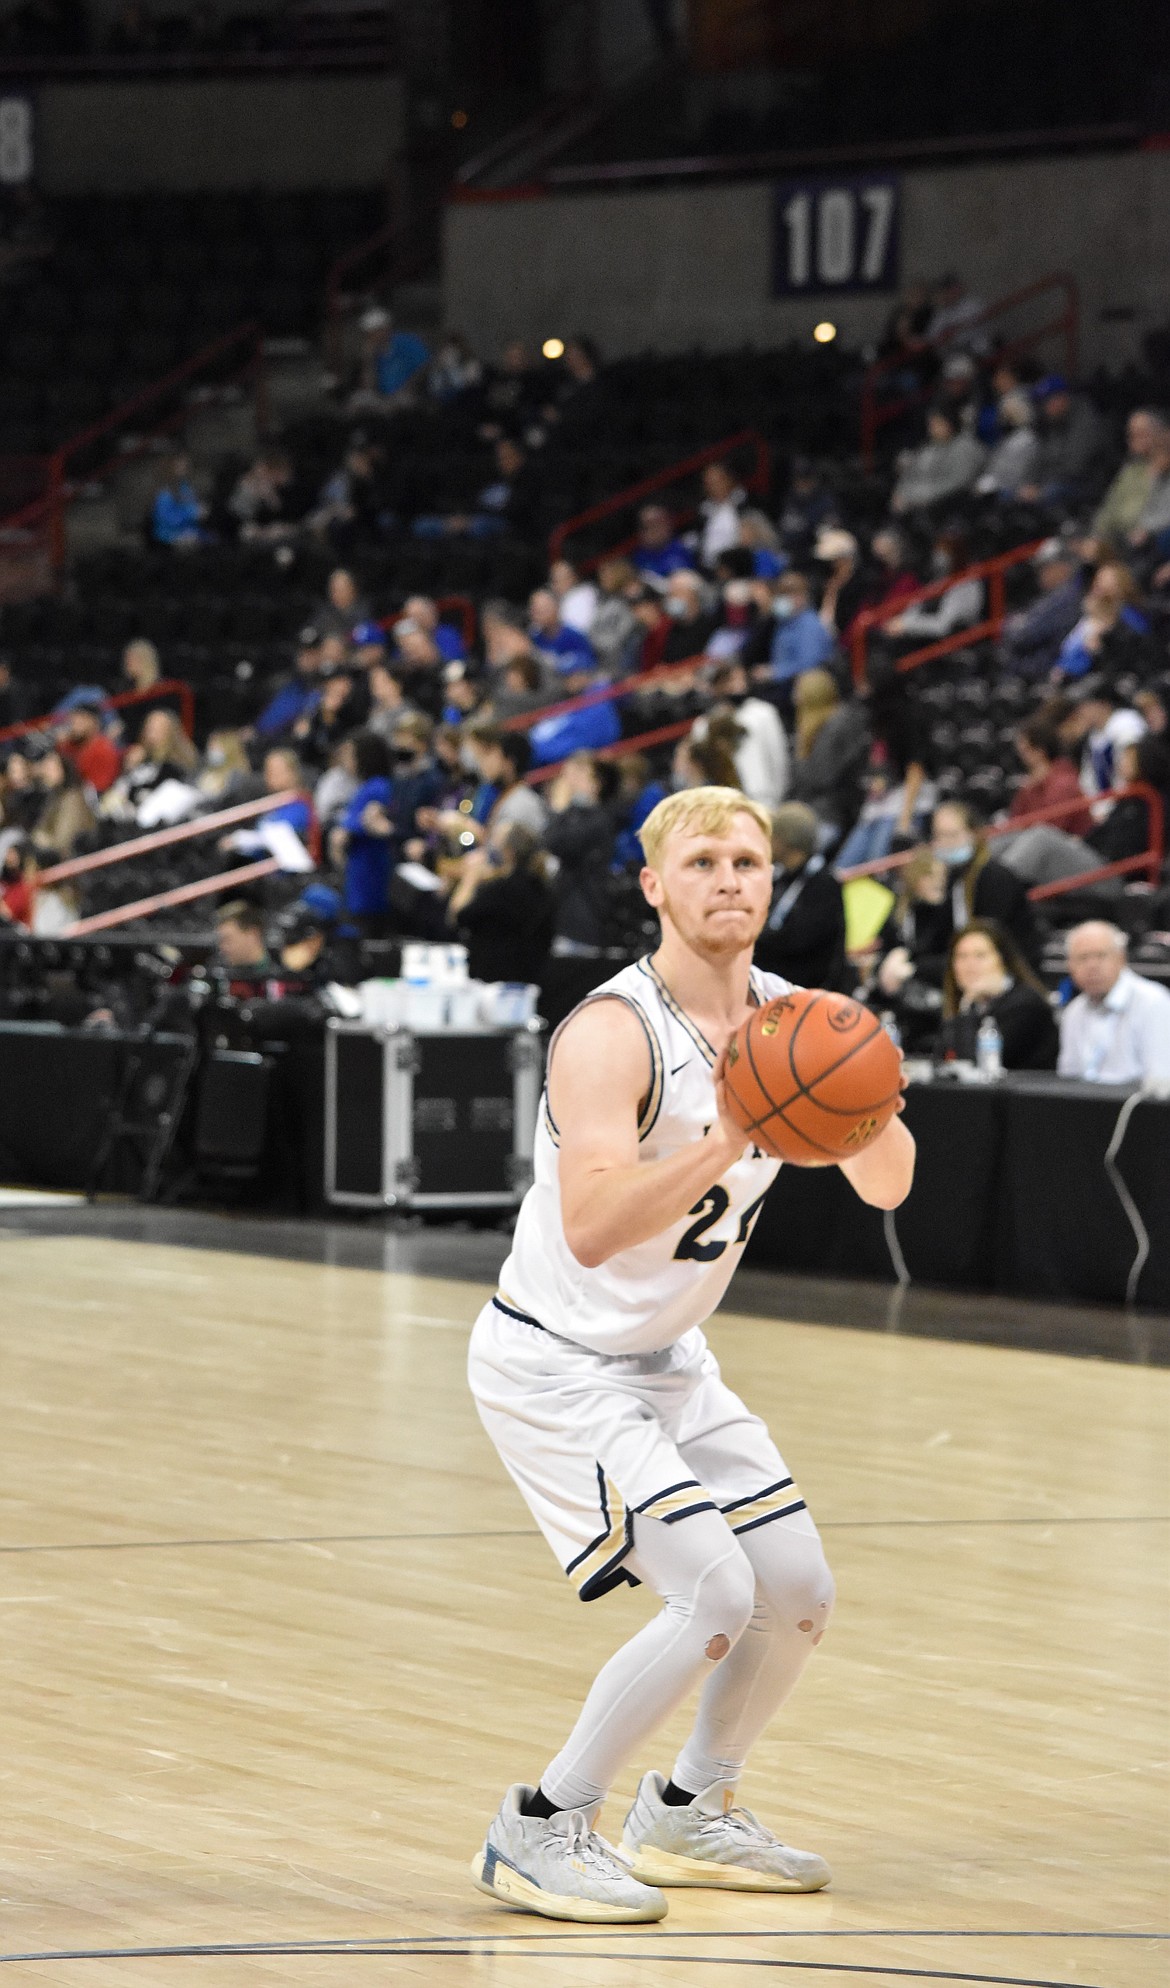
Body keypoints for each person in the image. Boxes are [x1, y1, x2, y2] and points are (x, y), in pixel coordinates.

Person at [468, 784, 914, 1924]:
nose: (730, 879)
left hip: (669, 1355)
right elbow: (592, 1225)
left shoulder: (800, 1019)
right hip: (554, 1358)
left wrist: (855, 1101)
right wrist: (731, 1135)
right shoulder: (611, 1031)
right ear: (655, 885)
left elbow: (892, 1181)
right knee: (713, 1588)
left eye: (749, 860)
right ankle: (541, 1823)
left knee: (798, 1588)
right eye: (704, 860)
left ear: (773, 882)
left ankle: (684, 1809)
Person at [936, 920, 1058, 1070]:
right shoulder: (970, 1005)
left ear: (1003, 960)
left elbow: (972, 1065)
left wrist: (966, 1007)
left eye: (980, 956)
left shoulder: (1026, 1005)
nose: (969, 965)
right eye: (961, 956)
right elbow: (942, 1060)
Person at [1058, 922, 1170, 1085]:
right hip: (1083, 1105)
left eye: (1101, 956)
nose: (1092, 966)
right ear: (1070, 966)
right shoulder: (1073, 1012)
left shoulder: (1153, 1002)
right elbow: (1068, 1079)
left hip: (1137, 1107)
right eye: (1083, 958)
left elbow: (1162, 1082)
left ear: (1121, 959)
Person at [446, 820, 556, 985]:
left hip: (492, 982)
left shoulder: (501, 890)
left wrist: (470, 878)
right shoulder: (542, 887)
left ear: (507, 852)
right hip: (530, 980)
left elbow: (457, 916)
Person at [754, 801, 847, 991]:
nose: (767, 842)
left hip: (805, 991)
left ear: (786, 840)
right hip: (772, 981)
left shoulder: (823, 885)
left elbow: (799, 942)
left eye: (772, 836)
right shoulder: (779, 878)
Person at [787, 670, 870, 843]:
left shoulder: (836, 724)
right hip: (809, 808)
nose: (794, 696)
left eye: (798, 690)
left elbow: (821, 776)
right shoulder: (809, 727)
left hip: (830, 812)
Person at [695, 661, 789, 807]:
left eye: (737, 678)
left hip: (763, 797)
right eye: (726, 680)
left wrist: (775, 796)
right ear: (715, 686)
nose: (733, 686)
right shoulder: (703, 725)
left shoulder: (763, 713)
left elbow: (778, 758)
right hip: (724, 802)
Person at [1054, 561, 1155, 682]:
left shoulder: (1127, 613)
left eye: (1105, 582)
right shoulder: (1088, 614)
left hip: (1109, 674)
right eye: (1098, 580)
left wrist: (1104, 641)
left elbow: (1140, 641)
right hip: (1068, 672)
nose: (1098, 586)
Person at [999, 540, 1086, 679]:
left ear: (1063, 566)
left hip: (1046, 671)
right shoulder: (1053, 596)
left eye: (1045, 567)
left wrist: (1013, 625)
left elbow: (1022, 635)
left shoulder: (1065, 597)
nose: (1040, 574)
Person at [890, 407, 985, 514]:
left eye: (938, 424)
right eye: (931, 425)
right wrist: (901, 492)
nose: (932, 429)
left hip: (946, 510)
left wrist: (913, 498)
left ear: (950, 424)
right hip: (914, 504)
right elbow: (911, 474)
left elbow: (954, 485)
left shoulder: (965, 448)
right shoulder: (930, 447)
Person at [1091, 409, 1163, 551]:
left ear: (1159, 434)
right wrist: (1096, 535)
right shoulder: (1130, 471)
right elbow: (1109, 508)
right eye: (1132, 435)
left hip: (1150, 541)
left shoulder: (1164, 471)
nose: (1135, 440)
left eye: (1142, 434)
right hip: (1118, 538)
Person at [759, 570, 836, 691]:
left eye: (785, 595)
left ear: (801, 597)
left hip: (805, 689)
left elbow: (810, 665)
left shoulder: (810, 626)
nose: (780, 600)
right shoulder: (784, 622)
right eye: (779, 595)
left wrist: (775, 673)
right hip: (782, 685)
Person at [60, 697, 122, 796]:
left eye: (82, 719)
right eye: (74, 719)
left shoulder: (103, 750)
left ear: (94, 722)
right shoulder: (67, 745)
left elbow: (99, 790)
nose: (75, 724)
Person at [696, 461, 746, 570]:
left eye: (717, 480)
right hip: (709, 568)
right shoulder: (704, 510)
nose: (713, 486)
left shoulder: (746, 503)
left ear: (729, 479)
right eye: (708, 483)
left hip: (739, 566)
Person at [152, 453, 206, 548]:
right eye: (179, 465)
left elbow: (192, 503)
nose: (184, 468)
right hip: (170, 535)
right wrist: (193, 512)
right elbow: (167, 517)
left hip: (190, 530)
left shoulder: (185, 486)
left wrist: (201, 510)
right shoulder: (165, 490)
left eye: (185, 465)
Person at [632, 503, 693, 583]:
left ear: (668, 524)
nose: (652, 531)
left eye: (656, 525)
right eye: (646, 527)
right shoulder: (638, 558)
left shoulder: (683, 548)